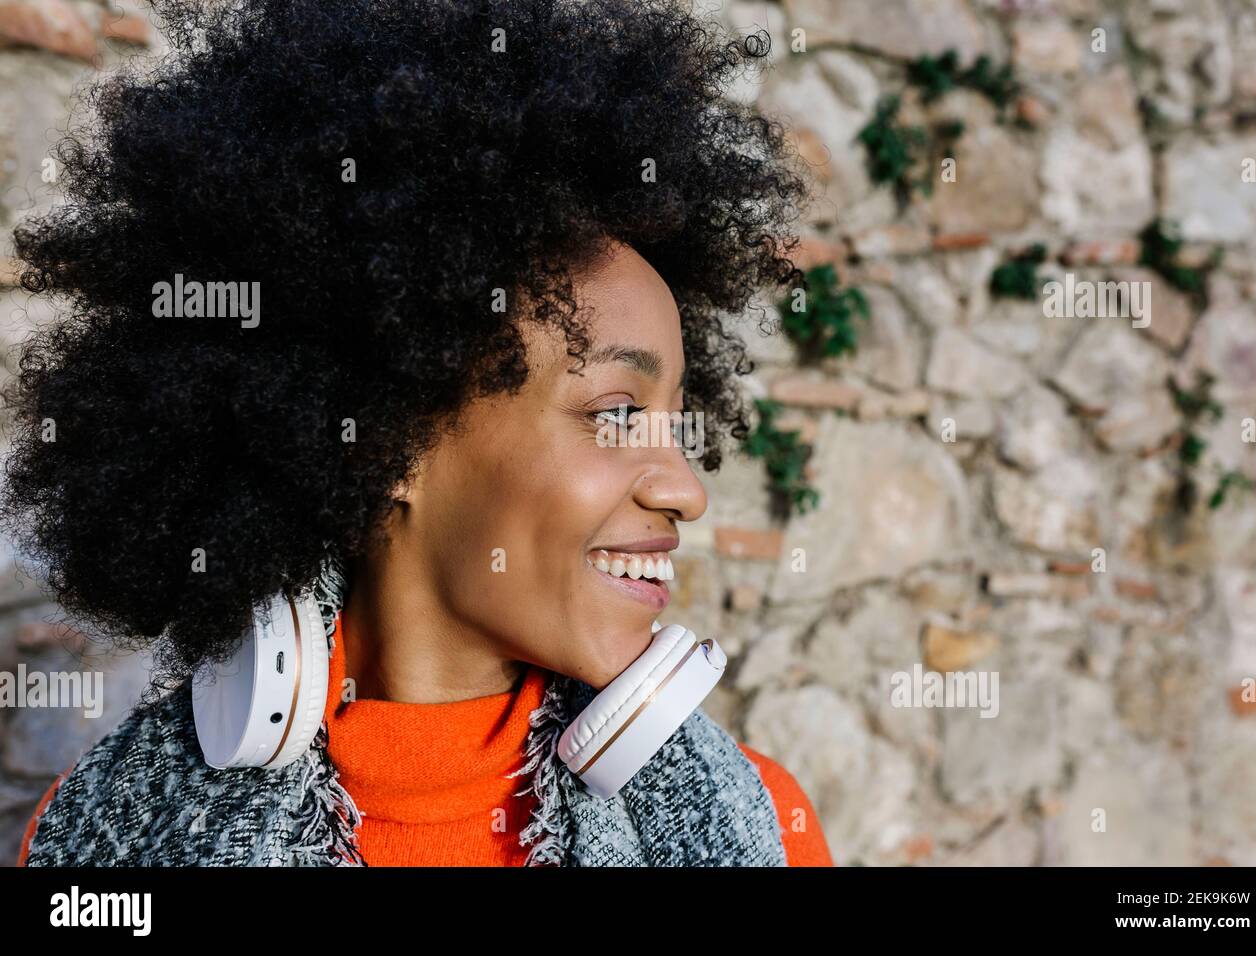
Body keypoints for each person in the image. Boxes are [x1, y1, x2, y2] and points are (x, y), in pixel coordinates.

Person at [7, 0, 832, 866]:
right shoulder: (98, 841)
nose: (687, 490)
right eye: (617, 414)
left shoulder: (760, 825)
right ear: (392, 436)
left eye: (674, 420)